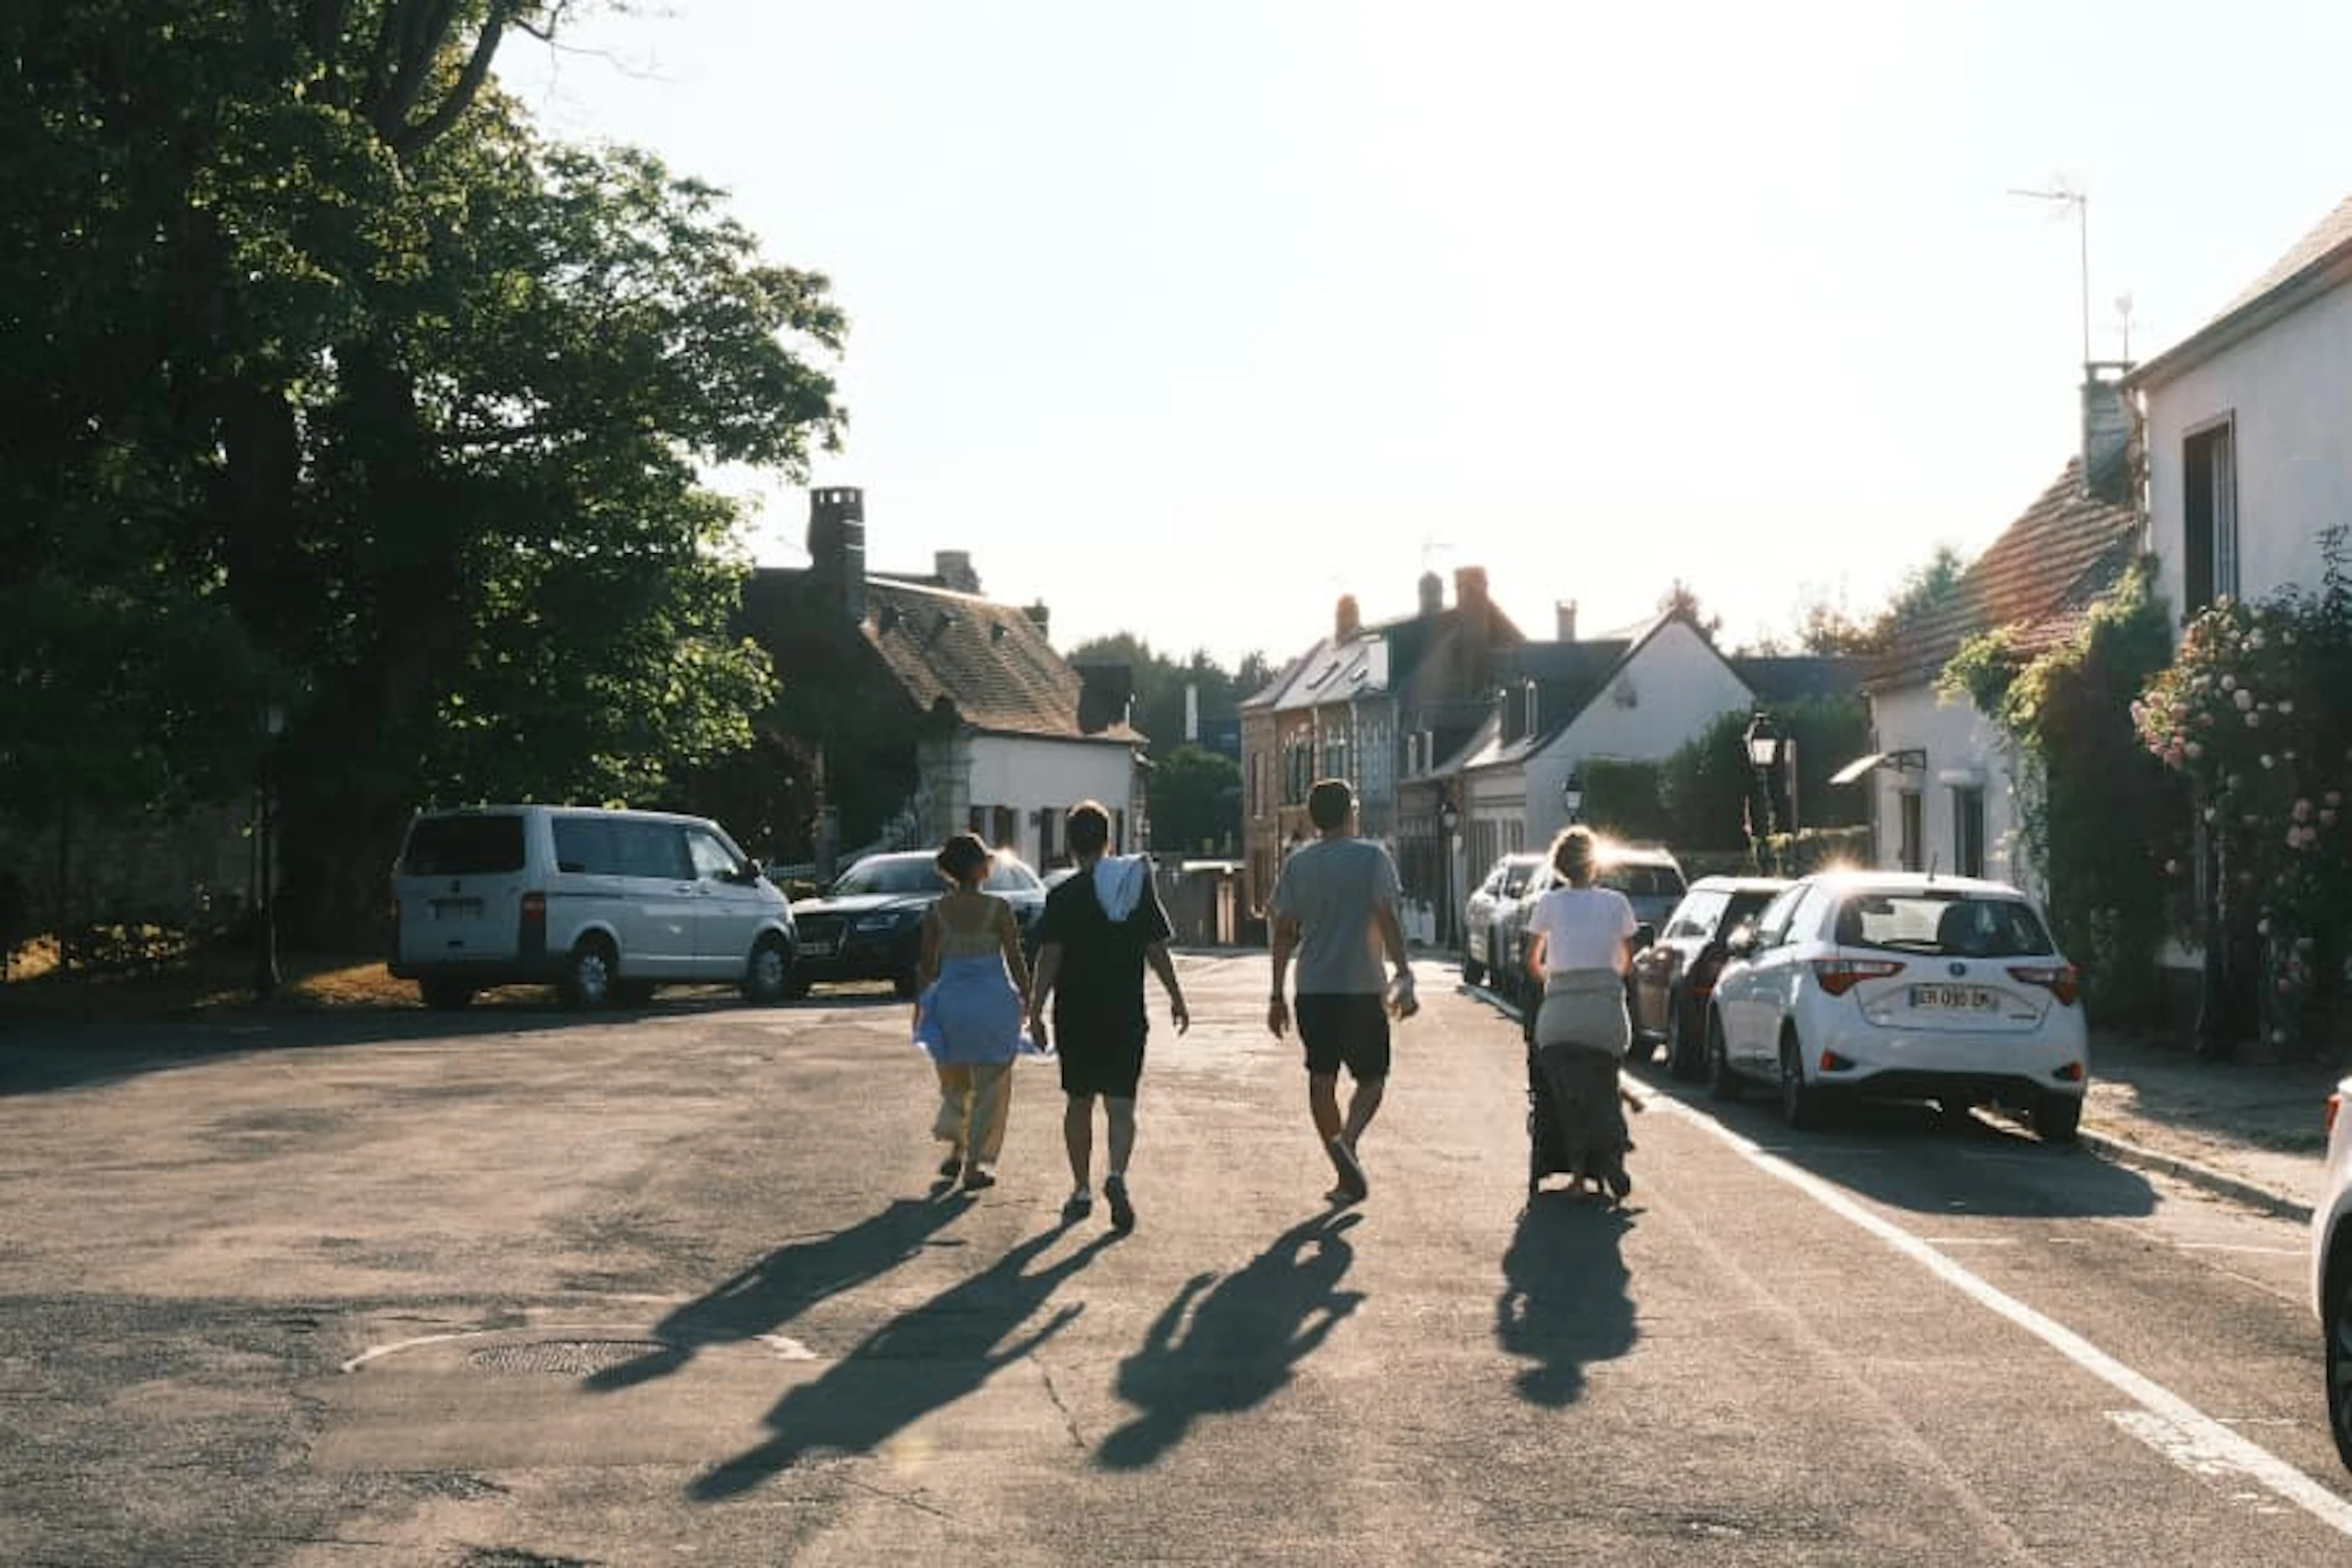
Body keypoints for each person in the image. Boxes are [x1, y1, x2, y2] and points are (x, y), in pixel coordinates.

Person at [1026, 801, 1189, 1231]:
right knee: (1121, 1104)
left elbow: (1050, 957)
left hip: (1076, 1013)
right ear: (1109, 839)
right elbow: (1156, 949)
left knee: (1078, 1102)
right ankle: (1115, 1175)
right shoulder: (1133, 891)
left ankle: (1081, 1187)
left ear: (1070, 844)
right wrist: (1176, 996)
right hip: (1124, 1012)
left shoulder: (1062, 896)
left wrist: (1035, 1010)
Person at [1267, 777, 1417, 1203]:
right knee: (1372, 1079)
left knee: (1321, 1080)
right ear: (1351, 811)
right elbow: (1386, 916)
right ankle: (1348, 1143)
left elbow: (1283, 932)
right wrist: (1403, 970)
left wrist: (1276, 995)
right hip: (1362, 986)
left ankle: (1342, 1167)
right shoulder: (1373, 857)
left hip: (1313, 986)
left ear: (1313, 818)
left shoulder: (1298, 863)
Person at [1521, 823, 1639, 1201]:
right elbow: (1626, 961)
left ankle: (1575, 1175)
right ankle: (1612, 1153)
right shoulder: (1616, 903)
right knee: (1603, 1082)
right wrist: (1603, 981)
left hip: (1560, 1015)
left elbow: (1532, 962)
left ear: (1559, 866)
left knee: (1562, 1097)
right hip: (1603, 1012)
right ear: (1594, 865)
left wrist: (1556, 983)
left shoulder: (1548, 903)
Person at [912, 832, 1035, 1192]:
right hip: (992, 1002)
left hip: (951, 1002)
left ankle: (955, 1146)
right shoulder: (998, 909)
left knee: (955, 1079)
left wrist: (922, 1007)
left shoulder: (937, 911)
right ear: (977, 867)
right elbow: (1014, 958)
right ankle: (974, 1163)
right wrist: (1028, 997)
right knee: (991, 1083)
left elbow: (927, 966)